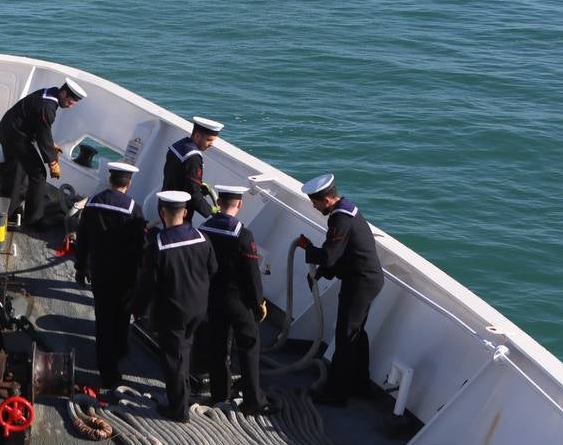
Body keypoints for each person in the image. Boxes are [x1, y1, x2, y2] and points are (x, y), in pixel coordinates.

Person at [295, 173, 383, 406]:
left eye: (314, 202)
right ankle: (360, 385)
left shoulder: (339, 219)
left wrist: (308, 249)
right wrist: (323, 271)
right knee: (356, 334)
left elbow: (330, 256)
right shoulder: (347, 209)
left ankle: (337, 394)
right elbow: (343, 254)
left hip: (360, 282)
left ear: (325, 199)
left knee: (345, 337)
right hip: (364, 279)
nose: (314, 207)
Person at [132, 190, 218, 422]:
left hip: (174, 311)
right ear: (186, 212)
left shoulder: (157, 245)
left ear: (162, 213)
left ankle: (178, 409)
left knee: (174, 358)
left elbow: (148, 284)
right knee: (187, 349)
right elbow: (213, 270)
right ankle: (186, 391)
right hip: (199, 307)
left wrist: (136, 309)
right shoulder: (202, 238)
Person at [199, 184, 276, 415]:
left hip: (213, 297)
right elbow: (252, 273)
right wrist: (258, 302)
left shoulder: (204, 228)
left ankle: (220, 394)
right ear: (239, 204)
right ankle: (254, 400)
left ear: (219, 203)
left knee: (218, 346)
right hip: (239, 300)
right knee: (249, 347)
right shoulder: (243, 234)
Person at [73, 161, 148, 390]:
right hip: (126, 274)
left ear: (110, 179)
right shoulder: (133, 209)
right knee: (122, 313)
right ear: (129, 183)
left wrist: (81, 267)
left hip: (101, 271)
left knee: (104, 317)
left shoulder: (94, 203)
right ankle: (119, 352)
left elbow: (83, 238)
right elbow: (140, 247)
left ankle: (105, 359)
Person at [0, 78, 86, 228]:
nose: (70, 106)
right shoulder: (48, 107)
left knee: (16, 172)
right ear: (63, 93)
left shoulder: (49, 93)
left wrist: (51, 145)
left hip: (8, 130)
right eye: (70, 102)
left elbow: (40, 127)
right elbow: (43, 133)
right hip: (16, 137)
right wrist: (52, 162)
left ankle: (8, 210)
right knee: (38, 175)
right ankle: (34, 220)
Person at [163, 117, 223, 221]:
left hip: (165, 203)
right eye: (209, 140)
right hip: (180, 211)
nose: (211, 144)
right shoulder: (193, 157)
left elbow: (177, 175)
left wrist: (199, 184)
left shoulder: (177, 146)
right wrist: (210, 210)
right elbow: (193, 192)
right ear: (197, 135)